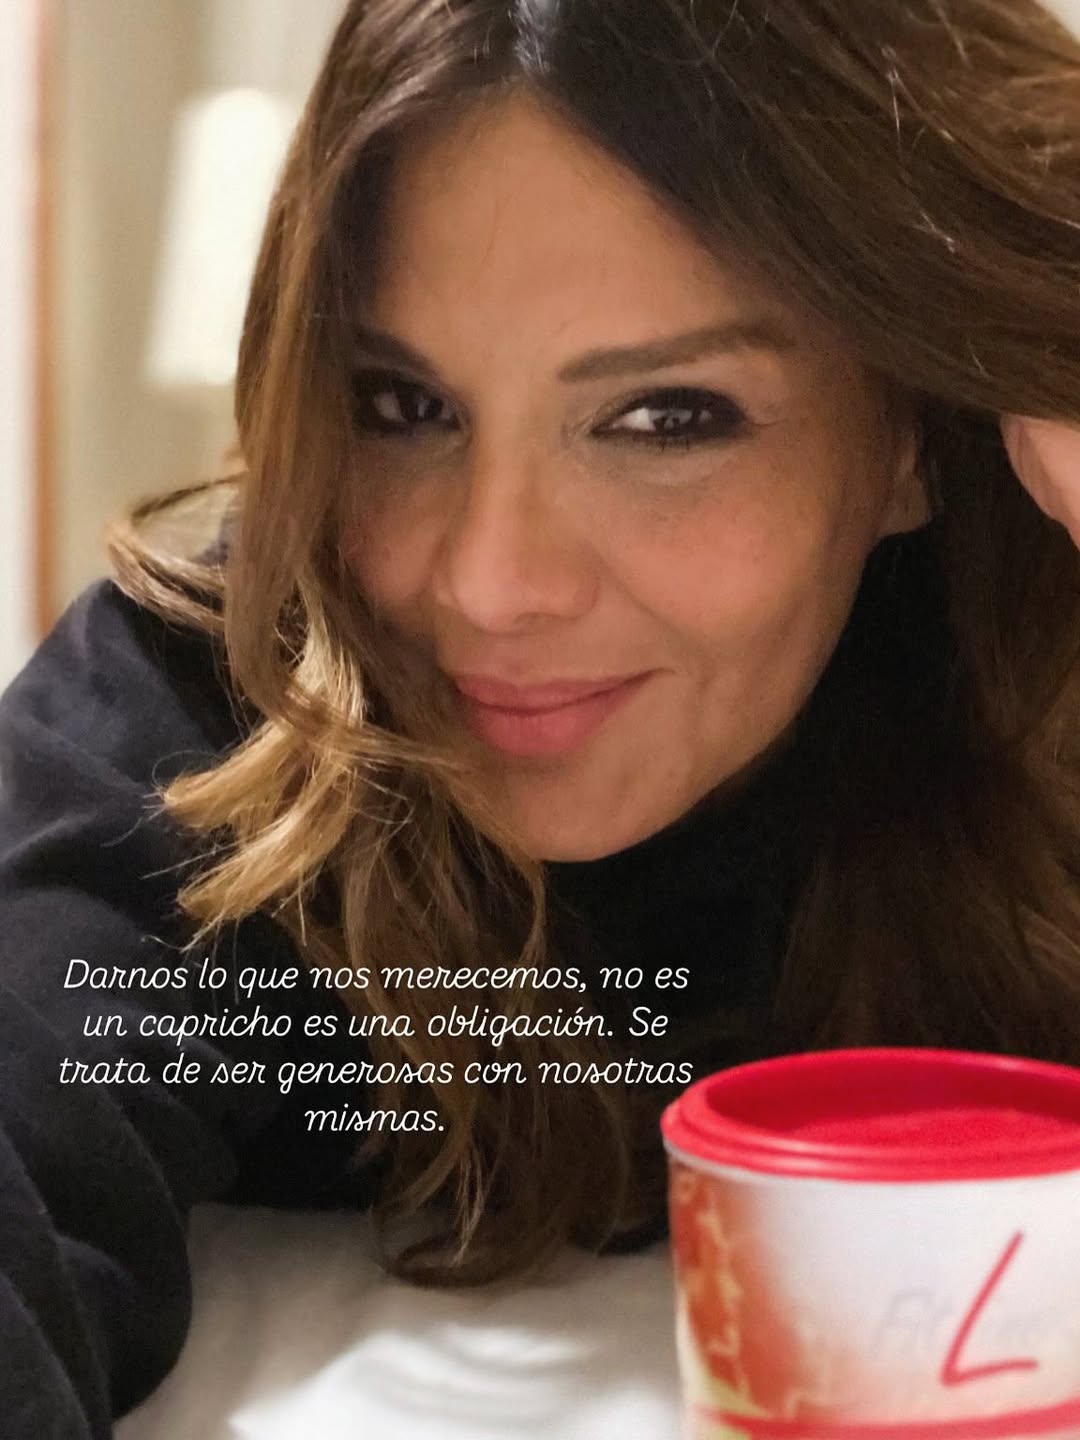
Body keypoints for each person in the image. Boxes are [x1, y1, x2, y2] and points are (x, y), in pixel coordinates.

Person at [4, 0, 1080, 1433]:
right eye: (403, 406)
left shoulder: (1036, 703)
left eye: (666, 418)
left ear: (915, 436)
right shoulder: (204, 730)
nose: (488, 583)